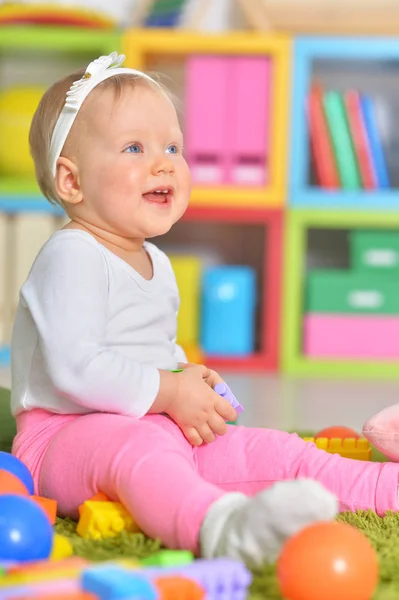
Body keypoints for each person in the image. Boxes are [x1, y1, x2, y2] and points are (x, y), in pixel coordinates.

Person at [10, 52, 399, 567]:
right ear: (72, 182)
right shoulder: (72, 255)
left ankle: (381, 488)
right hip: (65, 437)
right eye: (134, 148)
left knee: (270, 449)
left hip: (153, 420)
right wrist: (170, 390)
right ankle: (221, 525)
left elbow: (149, 350)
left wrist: (184, 374)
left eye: (173, 146)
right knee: (141, 457)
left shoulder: (156, 262)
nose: (165, 162)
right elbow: (77, 368)